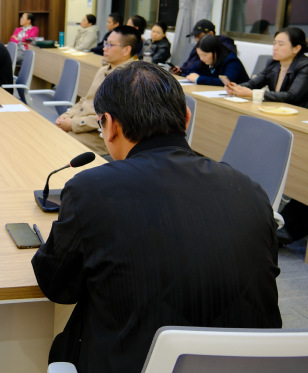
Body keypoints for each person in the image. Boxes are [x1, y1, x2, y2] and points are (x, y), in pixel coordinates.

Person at [32, 62, 281, 373]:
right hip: (245, 365)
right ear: (187, 118)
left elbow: (58, 288)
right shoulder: (250, 189)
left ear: (110, 125)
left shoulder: (90, 190)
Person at [55, 25, 139, 155]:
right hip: (80, 126)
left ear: (126, 50)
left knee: (57, 146)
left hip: (100, 137)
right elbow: (85, 100)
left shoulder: (129, 78)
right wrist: (66, 116)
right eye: (105, 43)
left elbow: (112, 119)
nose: (104, 48)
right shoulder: (103, 70)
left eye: (110, 45)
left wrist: (73, 124)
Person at [226, 27, 308, 110]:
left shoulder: (306, 66)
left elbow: (291, 96)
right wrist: (237, 88)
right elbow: (254, 83)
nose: (275, 48)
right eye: (274, 43)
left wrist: (252, 94)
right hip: (282, 109)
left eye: (281, 44)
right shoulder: (273, 63)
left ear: (296, 48)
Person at [171, 19, 236, 76]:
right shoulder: (198, 47)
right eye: (195, 37)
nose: (196, 40)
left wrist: (198, 79)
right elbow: (190, 64)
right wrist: (181, 71)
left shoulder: (226, 52)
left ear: (210, 34)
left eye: (199, 36)